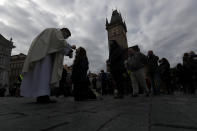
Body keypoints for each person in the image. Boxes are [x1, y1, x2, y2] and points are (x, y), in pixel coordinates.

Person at [20, 28, 76, 103]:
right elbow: (60, 42)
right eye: (66, 36)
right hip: (44, 57)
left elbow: (58, 43)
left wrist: (69, 48)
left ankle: (41, 95)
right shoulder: (56, 32)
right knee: (44, 75)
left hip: (40, 54)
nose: (65, 38)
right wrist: (69, 50)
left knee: (39, 75)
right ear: (64, 32)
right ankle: (43, 96)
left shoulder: (52, 32)